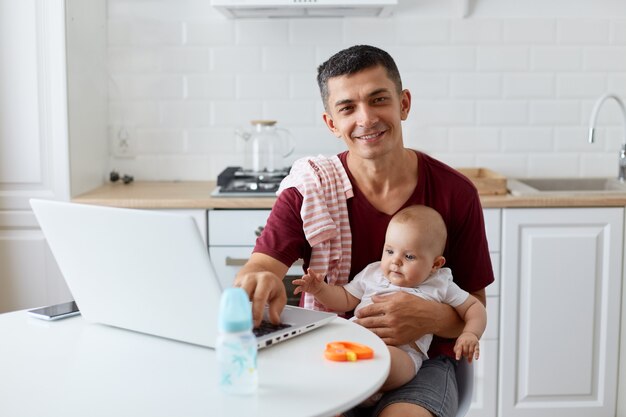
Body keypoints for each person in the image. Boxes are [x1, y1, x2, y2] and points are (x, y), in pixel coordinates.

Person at [235, 44, 495, 417]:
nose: (366, 118)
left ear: (403, 104)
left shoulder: (457, 193)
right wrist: (257, 282)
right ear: (331, 123)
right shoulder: (310, 190)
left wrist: (427, 318)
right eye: (348, 108)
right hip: (336, 350)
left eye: (378, 100)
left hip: (424, 363)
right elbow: (260, 267)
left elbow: (474, 305)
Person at [292, 205, 487, 398]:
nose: (396, 261)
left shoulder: (439, 283)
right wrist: (320, 289)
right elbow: (344, 299)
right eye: (390, 251)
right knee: (323, 351)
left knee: (385, 362)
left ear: (435, 264)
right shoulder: (373, 273)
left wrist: (470, 333)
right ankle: (343, 391)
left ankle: (354, 389)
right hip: (355, 344)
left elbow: (473, 307)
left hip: (401, 353)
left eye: (409, 256)